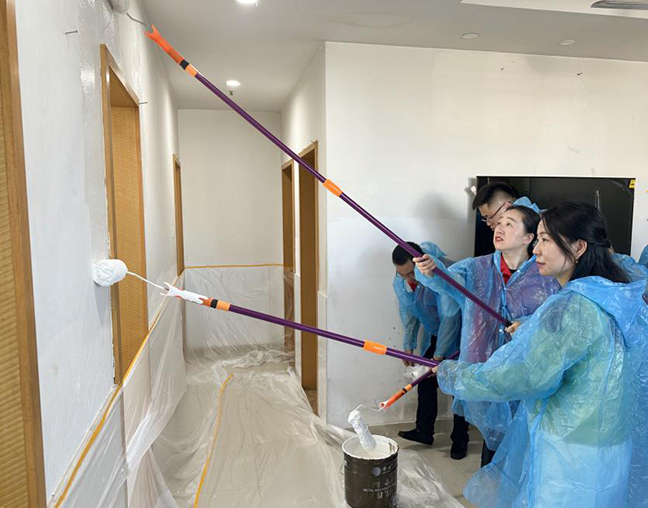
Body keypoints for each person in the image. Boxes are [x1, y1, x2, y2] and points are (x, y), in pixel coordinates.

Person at [432, 202, 648, 507]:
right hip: (610, 446)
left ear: (578, 247)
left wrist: (453, 374)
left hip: (572, 454)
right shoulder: (613, 294)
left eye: (545, 240)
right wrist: (534, 330)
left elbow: (525, 377)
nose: (536, 250)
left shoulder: (571, 306)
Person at [414, 206, 560, 466]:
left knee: (524, 447)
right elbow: (448, 280)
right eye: (499, 223)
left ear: (529, 238)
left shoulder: (545, 274)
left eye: (509, 224)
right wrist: (432, 270)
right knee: (492, 445)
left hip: (524, 372)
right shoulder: (476, 269)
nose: (499, 228)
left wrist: (526, 324)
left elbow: (555, 318)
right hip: (485, 370)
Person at [392, 241, 470, 459]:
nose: (408, 279)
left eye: (411, 273)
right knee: (425, 381)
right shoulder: (402, 280)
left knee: (458, 387)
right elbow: (409, 311)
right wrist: (408, 346)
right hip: (436, 334)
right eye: (402, 275)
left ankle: (460, 439)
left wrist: (438, 355)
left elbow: (450, 317)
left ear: (420, 264)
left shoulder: (440, 275)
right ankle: (424, 431)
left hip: (461, 334)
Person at [472, 181, 539, 231]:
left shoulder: (532, 228)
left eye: (489, 217)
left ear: (507, 207)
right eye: (485, 219)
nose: (488, 223)